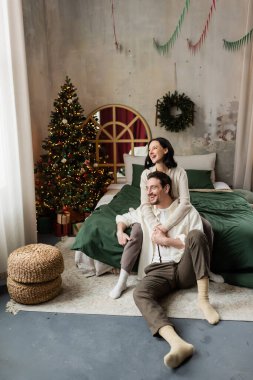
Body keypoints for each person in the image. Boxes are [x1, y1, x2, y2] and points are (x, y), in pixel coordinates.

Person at [115, 171, 220, 369]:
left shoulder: (186, 211)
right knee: (140, 294)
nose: (149, 192)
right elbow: (123, 217)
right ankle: (177, 343)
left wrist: (168, 241)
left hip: (184, 268)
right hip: (158, 270)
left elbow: (197, 241)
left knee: (196, 234)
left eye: (153, 187)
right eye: (147, 189)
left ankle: (204, 300)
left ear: (166, 188)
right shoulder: (147, 212)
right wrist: (120, 231)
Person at [109, 138, 221, 299]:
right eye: (149, 150)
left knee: (206, 227)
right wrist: (156, 225)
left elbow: (185, 202)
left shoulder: (179, 172)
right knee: (137, 231)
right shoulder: (146, 174)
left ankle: (206, 269)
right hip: (153, 212)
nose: (151, 152)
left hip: (178, 210)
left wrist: (165, 227)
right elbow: (145, 204)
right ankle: (122, 280)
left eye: (155, 148)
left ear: (166, 150)